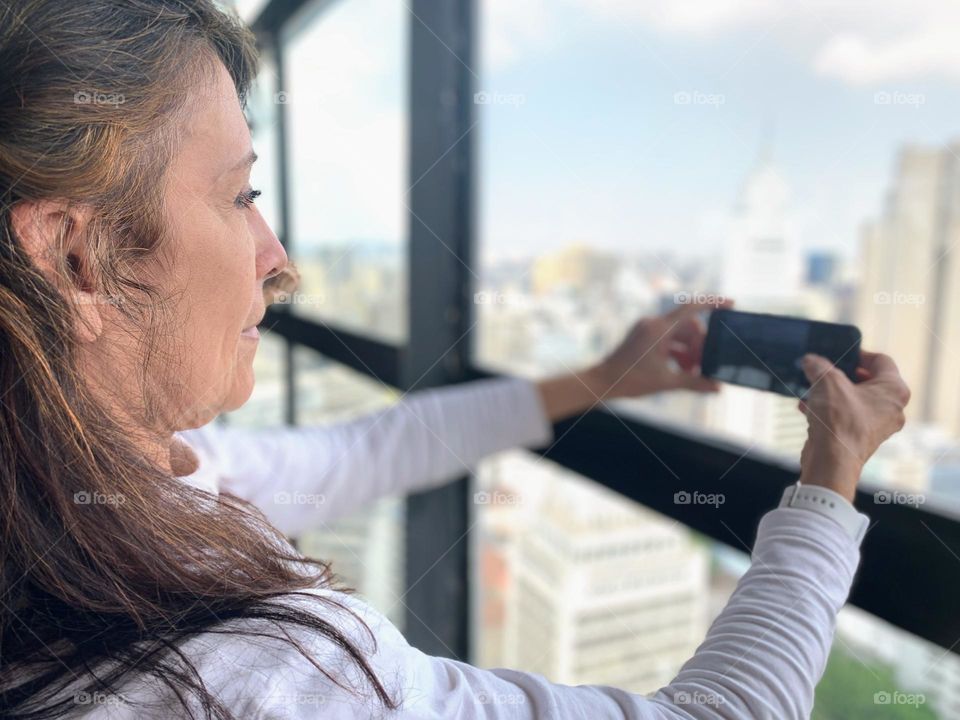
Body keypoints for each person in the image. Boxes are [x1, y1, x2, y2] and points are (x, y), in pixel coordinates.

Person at [0, 1, 910, 718]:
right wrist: (832, 479)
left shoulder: (91, 499)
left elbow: (370, 452)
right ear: (77, 257)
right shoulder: (250, 675)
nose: (277, 258)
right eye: (240, 196)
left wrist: (600, 381)